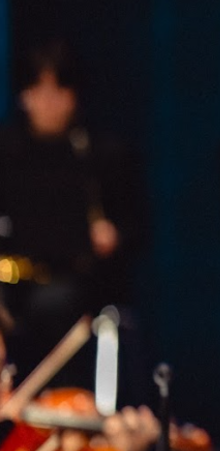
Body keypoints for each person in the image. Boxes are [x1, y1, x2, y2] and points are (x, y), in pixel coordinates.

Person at [0, 42, 145, 388]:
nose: (47, 102)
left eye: (58, 90)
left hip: (78, 281)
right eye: (37, 89)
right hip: (12, 275)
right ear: (23, 95)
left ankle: (60, 411)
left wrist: (114, 235)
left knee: (53, 304)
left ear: (74, 95)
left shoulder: (101, 153)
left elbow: (138, 225)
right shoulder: (7, 150)